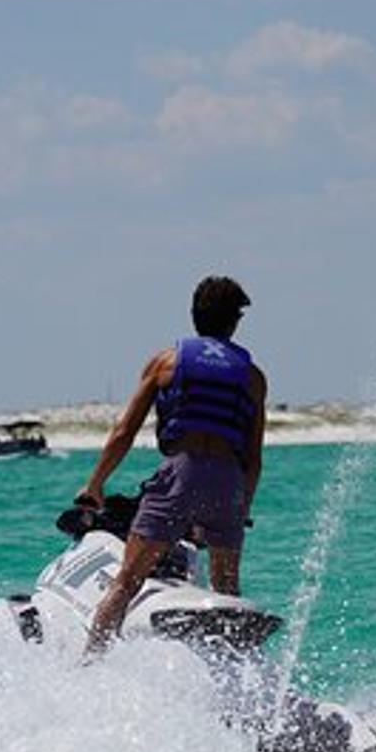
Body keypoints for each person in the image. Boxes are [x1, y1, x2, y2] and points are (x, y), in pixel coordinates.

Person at [77, 275, 266, 651]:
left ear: (194, 316)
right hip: (228, 482)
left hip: (182, 473)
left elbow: (124, 431)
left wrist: (94, 484)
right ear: (235, 322)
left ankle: (88, 667)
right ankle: (241, 685)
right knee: (227, 594)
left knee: (126, 583)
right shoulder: (253, 377)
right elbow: (254, 458)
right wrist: (242, 506)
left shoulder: (168, 362)